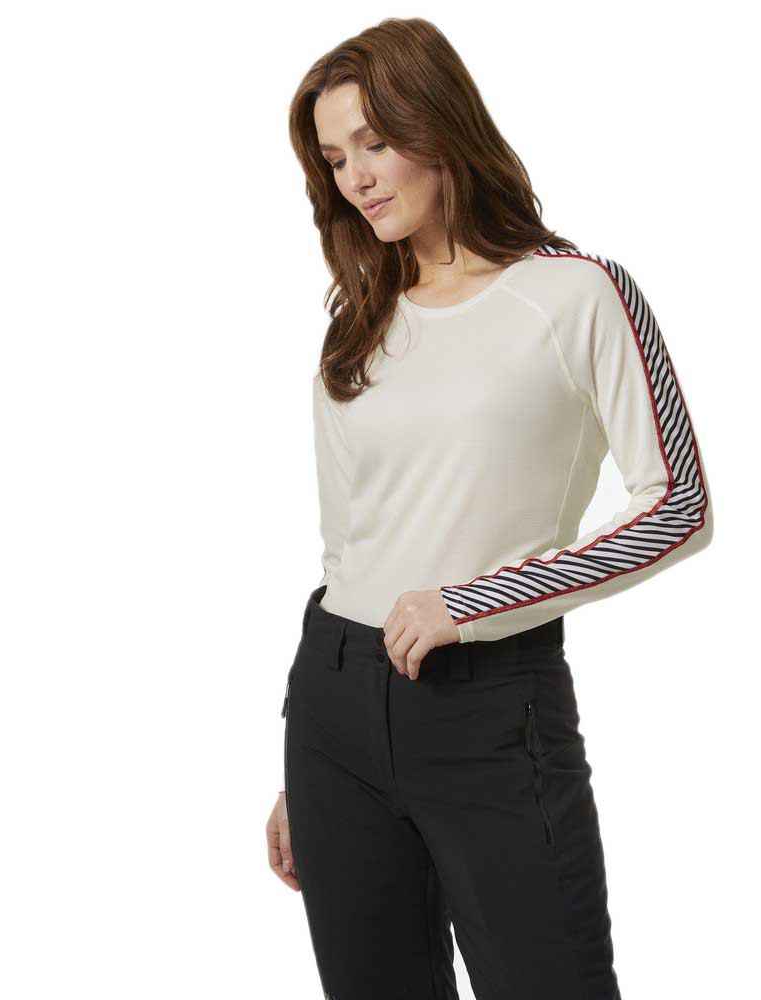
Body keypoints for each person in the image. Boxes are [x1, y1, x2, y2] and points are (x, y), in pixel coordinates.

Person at [266, 16, 713, 1000]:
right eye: (335, 159)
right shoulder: (359, 318)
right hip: (334, 706)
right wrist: (306, 757)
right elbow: (350, 546)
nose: (357, 178)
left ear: (437, 123)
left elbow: (678, 504)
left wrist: (472, 603)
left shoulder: (576, 293)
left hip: (489, 706)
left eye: (374, 142)